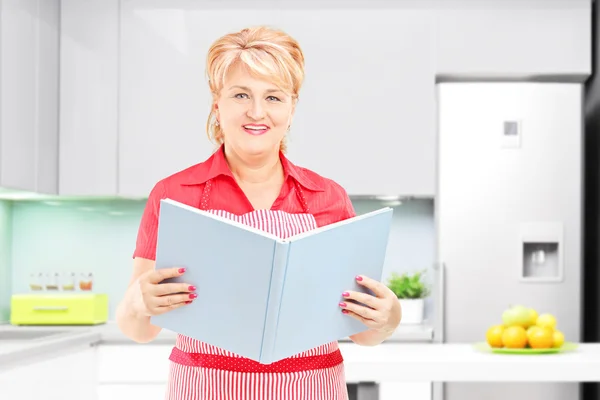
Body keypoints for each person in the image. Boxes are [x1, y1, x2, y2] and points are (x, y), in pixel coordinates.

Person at [116, 25, 402, 400]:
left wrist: (389, 315)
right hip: (205, 390)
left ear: (292, 107)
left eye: (273, 97)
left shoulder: (328, 197)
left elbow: (364, 333)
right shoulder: (174, 195)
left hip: (310, 389)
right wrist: (139, 303)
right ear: (217, 103)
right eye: (240, 94)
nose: (257, 112)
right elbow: (140, 329)